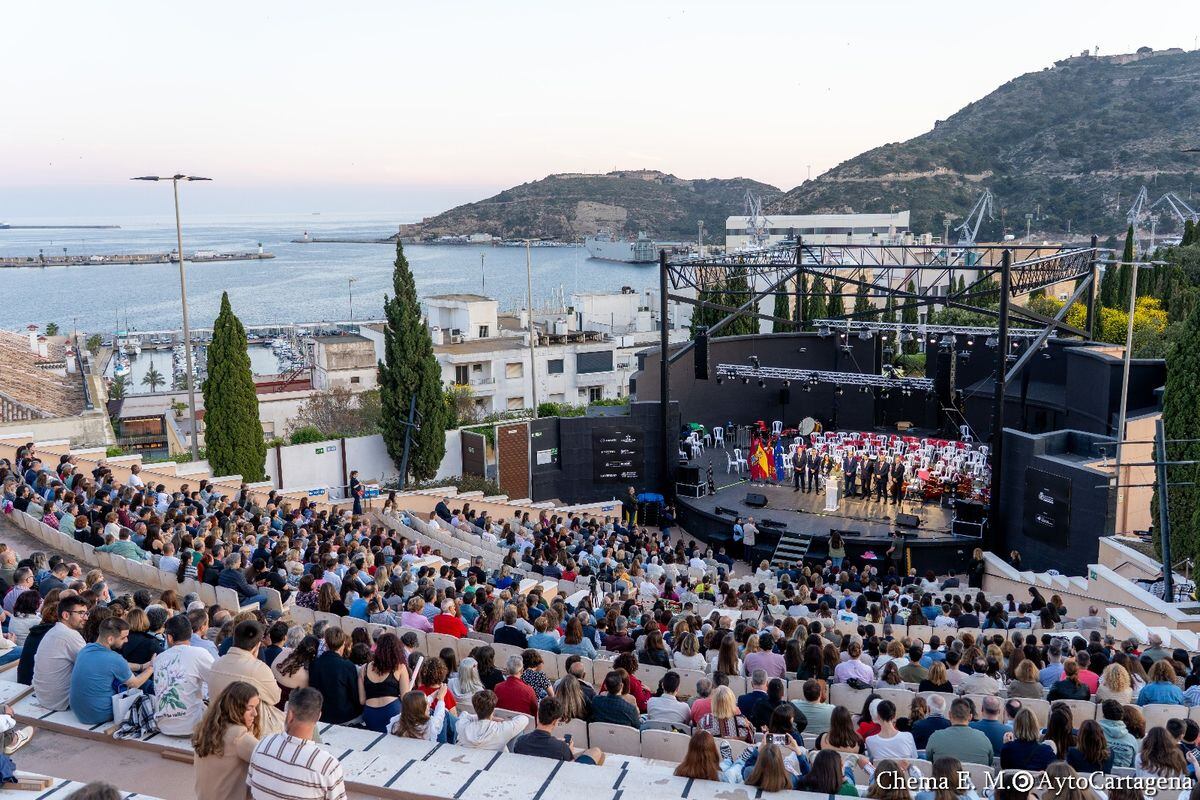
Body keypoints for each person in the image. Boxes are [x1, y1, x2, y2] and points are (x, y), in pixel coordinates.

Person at [247, 687, 347, 800]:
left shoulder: (263, 745)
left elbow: (250, 791)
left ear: (289, 715)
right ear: (318, 716)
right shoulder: (327, 766)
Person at [204, 620, 285, 735]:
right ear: (257, 646)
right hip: (245, 729)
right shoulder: (258, 668)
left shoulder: (217, 663)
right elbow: (275, 698)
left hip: (217, 723)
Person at [70, 617, 154, 725]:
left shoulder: (85, 649)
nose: (127, 640)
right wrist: (152, 667)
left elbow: (117, 666)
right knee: (138, 687)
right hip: (100, 714)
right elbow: (135, 683)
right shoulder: (115, 658)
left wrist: (141, 667)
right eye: (123, 637)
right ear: (110, 639)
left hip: (79, 712)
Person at [192, 681, 262, 800]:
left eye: (256, 707)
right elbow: (270, 760)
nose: (255, 713)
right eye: (250, 708)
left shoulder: (207, 729)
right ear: (235, 708)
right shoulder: (239, 737)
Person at [154, 613, 215, 736]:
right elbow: (218, 680)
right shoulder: (200, 653)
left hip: (164, 725)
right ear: (191, 634)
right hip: (192, 726)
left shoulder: (159, 658)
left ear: (169, 638)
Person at [32, 595, 88, 710]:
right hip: (60, 702)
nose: (86, 617)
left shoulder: (54, 631)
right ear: (66, 615)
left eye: (86, 613)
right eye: (81, 613)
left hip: (44, 697)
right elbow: (93, 666)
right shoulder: (69, 635)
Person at [512, 696, 605, 765]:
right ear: (555, 721)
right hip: (558, 774)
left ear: (538, 714)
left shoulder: (521, 741)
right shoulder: (561, 748)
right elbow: (571, 768)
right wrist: (569, 751)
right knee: (597, 751)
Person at [358, 632, 410, 733]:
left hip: (370, 713)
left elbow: (362, 700)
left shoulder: (364, 668)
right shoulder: (400, 667)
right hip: (392, 711)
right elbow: (405, 698)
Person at [925, 698, 994, 766]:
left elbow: (929, 763)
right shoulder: (983, 738)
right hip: (976, 777)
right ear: (970, 717)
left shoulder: (936, 737)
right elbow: (990, 763)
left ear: (949, 715)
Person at [456, 689, 528, 750]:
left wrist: (485, 716)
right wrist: (496, 719)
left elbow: (465, 714)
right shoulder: (501, 729)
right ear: (493, 709)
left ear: (475, 708)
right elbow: (524, 719)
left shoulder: (462, 726)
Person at [1098, 700, 1138, 769]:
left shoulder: (1095, 734)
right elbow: (1134, 765)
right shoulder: (1132, 739)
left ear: (1104, 715)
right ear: (1121, 716)